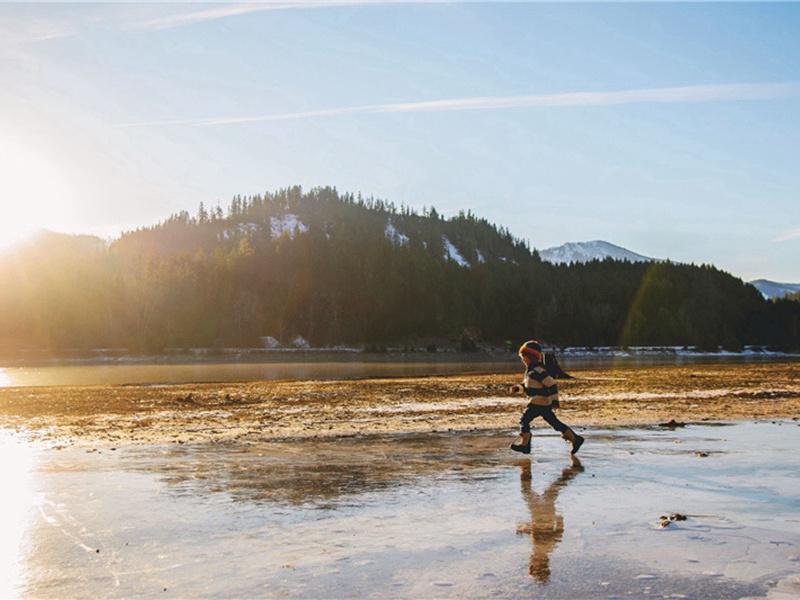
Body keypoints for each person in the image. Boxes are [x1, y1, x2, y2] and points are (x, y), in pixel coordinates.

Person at [509, 340, 584, 455]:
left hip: (538, 401)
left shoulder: (539, 371)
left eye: (525, 357)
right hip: (541, 402)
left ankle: (525, 445)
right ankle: (575, 439)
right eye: (522, 357)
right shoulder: (530, 371)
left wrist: (555, 400)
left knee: (524, 420)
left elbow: (551, 385)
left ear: (532, 357)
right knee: (554, 422)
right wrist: (518, 388)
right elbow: (526, 386)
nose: (523, 359)